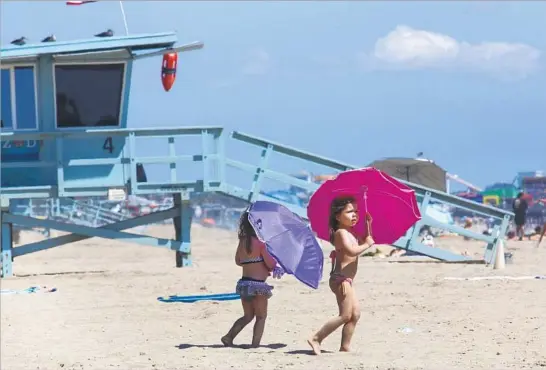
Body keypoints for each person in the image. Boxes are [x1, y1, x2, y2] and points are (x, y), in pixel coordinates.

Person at [307, 196, 375, 355]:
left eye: (356, 211)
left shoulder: (351, 233)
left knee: (355, 314)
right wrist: (367, 244)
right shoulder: (340, 233)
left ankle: (345, 346)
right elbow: (352, 251)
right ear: (338, 216)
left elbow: (365, 239)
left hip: (347, 280)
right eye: (350, 211)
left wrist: (368, 225)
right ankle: (316, 337)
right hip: (340, 280)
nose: (355, 215)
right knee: (345, 315)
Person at [221, 211, 281, 348]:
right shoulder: (261, 244)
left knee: (247, 315)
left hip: (244, 283)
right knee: (261, 316)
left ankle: (228, 337)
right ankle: (255, 345)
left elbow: (238, 261)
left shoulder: (242, 241)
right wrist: (274, 263)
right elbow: (271, 265)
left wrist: (251, 263)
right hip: (258, 286)